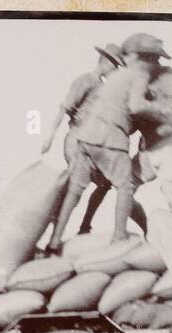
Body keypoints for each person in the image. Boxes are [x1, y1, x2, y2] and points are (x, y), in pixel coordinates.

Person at [46, 43, 149, 253]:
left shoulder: (106, 88)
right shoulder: (86, 80)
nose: (116, 70)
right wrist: (49, 137)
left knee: (94, 186)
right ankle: (114, 234)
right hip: (77, 139)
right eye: (115, 66)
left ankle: (76, 230)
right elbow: (65, 108)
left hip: (88, 139)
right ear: (106, 62)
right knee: (85, 187)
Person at [123, 32, 172, 214]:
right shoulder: (138, 80)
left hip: (168, 143)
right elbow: (133, 121)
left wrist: (142, 101)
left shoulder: (167, 75)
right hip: (148, 147)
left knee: (168, 188)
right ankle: (147, 232)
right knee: (125, 189)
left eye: (132, 57)